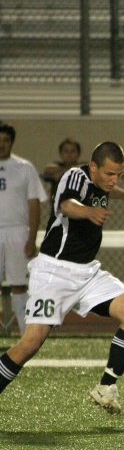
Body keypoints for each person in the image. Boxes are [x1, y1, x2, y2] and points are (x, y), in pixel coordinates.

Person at [0, 141, 124, 415]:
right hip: (54, 272)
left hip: (87, 272)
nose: (114, 180)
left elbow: (108, 190)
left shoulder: (102, 184)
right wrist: (89, 211)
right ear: (93, 167)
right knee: (31, 343)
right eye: (110, 174)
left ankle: (106, 387)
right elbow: (67, 205)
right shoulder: (75, 176)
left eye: (120, 175)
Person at [0, 122, 48, 334]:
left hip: (18, 233)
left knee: (19, 284)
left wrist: (31, 238)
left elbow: (34, 204)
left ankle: (25, 334)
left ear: (12, 142)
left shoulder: (25, 167)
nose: (1, 145)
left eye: (6, 141)